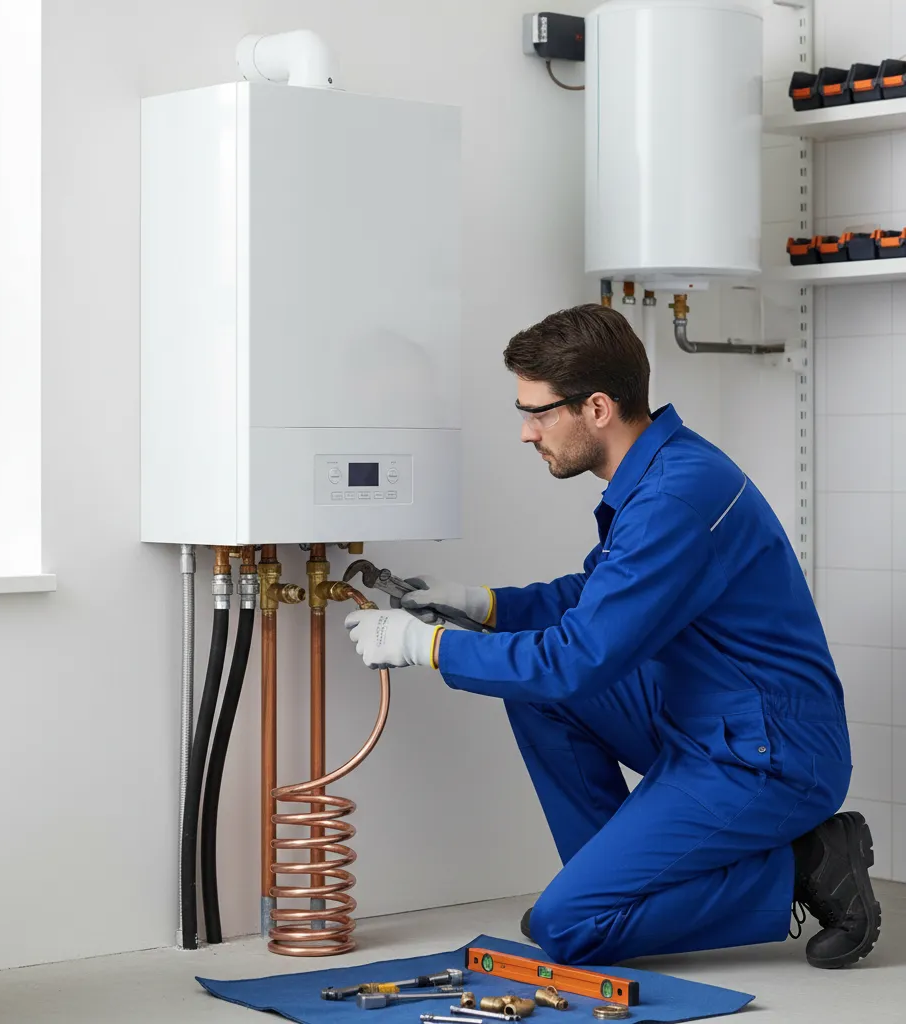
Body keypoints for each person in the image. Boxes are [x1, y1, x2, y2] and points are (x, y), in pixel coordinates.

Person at [344, 303, 880, 971]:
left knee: (567, 930)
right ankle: (610, 892)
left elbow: (579, 658)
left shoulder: (673, 500)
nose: (525, 432)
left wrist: (424, 646)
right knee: (539, 698)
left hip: (767, 753)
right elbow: (595, 600)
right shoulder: (664, 471)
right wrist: (483, 605)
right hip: (707, 717)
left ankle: (806, 863)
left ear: (597, 408)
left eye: (537, 412)